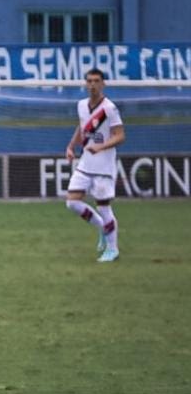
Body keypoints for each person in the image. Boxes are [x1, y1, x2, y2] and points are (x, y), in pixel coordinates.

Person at [64, 67, 125, 262]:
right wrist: (71, 146)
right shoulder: (81, 105)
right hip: (85, 163)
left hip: (103, 167)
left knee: (103, 206)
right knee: (72, 202)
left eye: (96, 81)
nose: (92, 85)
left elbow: (120, 135)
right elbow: (83, 126)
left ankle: (112, 249)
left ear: (103, 83)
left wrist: (101, 147)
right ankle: (102, 228)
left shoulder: (109, 108)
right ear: (85, 84)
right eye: (89, 81)